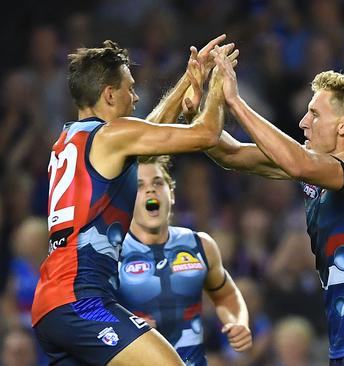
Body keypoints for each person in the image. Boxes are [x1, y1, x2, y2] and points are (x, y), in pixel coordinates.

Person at [31, 36, 237, 366]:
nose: (136, 96)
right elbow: (206, 134)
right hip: (82, 300)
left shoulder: (70, 140)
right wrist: (218, 83)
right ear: (109, 94)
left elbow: (149, 137)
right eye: (130, 87)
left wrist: (188, 79)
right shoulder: (111, 135)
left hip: (51, 306)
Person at [204, 51, 344, 365]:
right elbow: (230, 154)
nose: (304, 122)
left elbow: (298, 163)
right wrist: (204, 103)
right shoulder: (319, 169)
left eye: (314, 114)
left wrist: (236, 101)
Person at [116, 155, 252, 365]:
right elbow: (87, 318)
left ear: (171, 194)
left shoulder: (200, 245)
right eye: (140, 186)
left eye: (158, 183)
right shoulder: (111, 254)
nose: (151, 190)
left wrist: (238, 322)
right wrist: (127, 328)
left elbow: (226, 295)